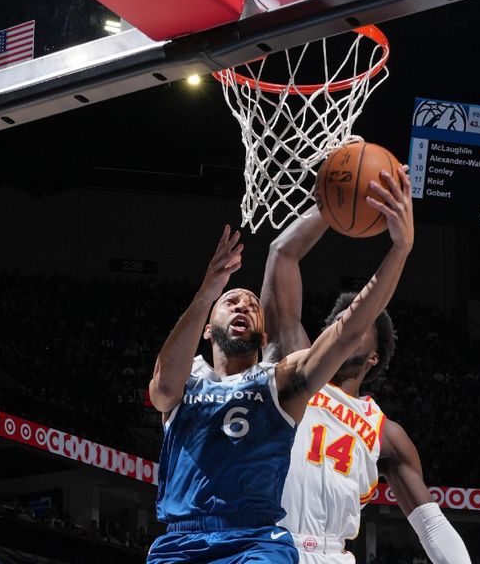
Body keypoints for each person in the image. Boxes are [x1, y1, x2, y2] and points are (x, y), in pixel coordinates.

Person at [148, 166, 414, 563]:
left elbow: (346, 330)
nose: (243, 305)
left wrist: (399, 250)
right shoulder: (185, 383)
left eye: (252, 305)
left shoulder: (279, 383)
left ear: (265, 335)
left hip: (256, 541)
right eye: (231, 301)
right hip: (180, 542)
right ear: (206, 329)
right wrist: (207, 291)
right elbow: (161, 390)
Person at [261, 202, 471, 563]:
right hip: (270, 545)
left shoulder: (386, 433)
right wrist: (328, 204)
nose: (347, 325)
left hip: (332, 553)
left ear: (373, 356)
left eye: (358, 325)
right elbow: (281, 254)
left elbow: (431, 526)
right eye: (341, 321)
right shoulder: (296, 369)